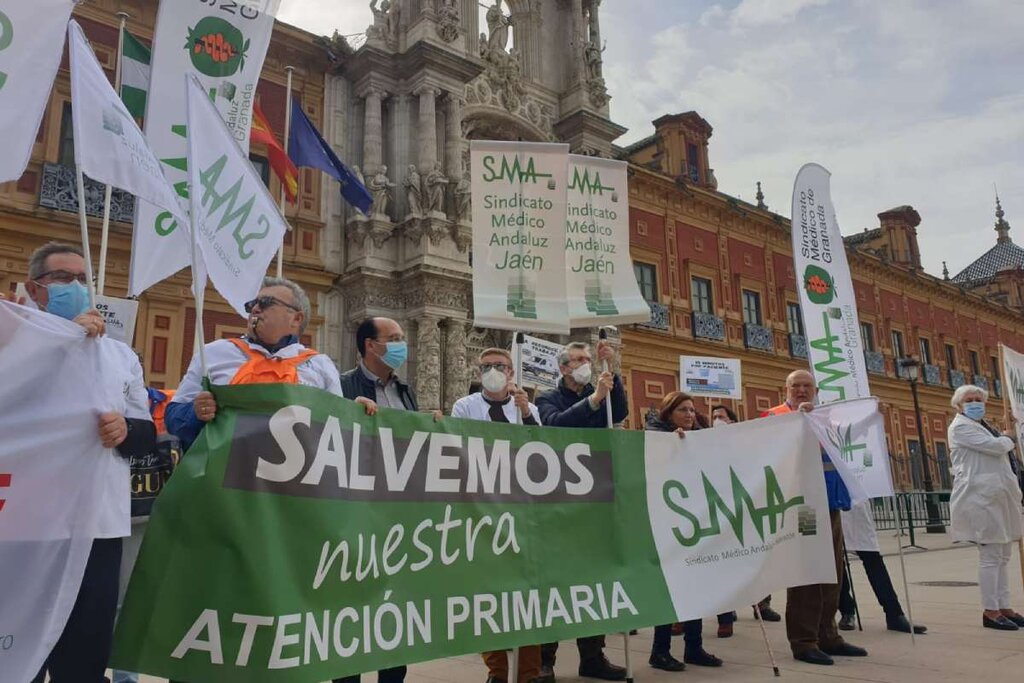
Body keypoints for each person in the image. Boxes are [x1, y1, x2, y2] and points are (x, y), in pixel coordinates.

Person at [20, 242, 156, 683]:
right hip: (26, 527)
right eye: (62, 278)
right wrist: (59, 343)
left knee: (84, 654)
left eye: (82, 278)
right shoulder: (13, 343)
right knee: (21, 652)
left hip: (99, 525)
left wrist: (125, 431)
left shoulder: (121, 357)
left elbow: (145, 435)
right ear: (35, 289)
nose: (76, 287)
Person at [166, 277, 376, 451]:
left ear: (296, 318)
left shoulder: (320, 365)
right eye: (252, 304)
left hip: (290, 492)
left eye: (265, 303)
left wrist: (353, 414)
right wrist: (195, 413)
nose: (255, 309)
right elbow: (172, 419)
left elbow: (335, 434)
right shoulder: (212, 353)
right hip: (224, 490)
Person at [450, 349, 549, 683]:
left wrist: (526, 413)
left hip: (523, 512)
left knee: (527, 595)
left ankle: (528, 672)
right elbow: (460, 446)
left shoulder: (527, 408)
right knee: (489, 594)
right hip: (483, 512)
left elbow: (543, 453)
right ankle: (497, 670)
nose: (494, 371)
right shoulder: (466, 407)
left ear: (511, 372)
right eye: (487, 366)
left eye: (500, 366)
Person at [535, 340, 627, 681]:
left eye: (588, 358)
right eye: (578, 360)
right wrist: (594, 400)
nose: (585, 364)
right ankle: (545, 659)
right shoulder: (547, 397)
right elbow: (555, 425)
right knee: (555, 582)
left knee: (594, 580)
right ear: (563, 368)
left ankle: (593, 655)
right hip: (559, 501)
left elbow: (619, 413)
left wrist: (611, 371)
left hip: (596, 499)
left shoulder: (602, 387)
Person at [762, 370, 867, 666]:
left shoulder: (825, 418)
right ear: (785, 388)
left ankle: (828, 634)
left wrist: (872, 417)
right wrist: (799, 420)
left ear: (816, 389)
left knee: (832, 571)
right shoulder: (775, 415)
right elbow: (773, 452)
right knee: (807, 571)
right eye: (795, 385)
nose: (801, 390)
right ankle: (804, 640)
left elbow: (845, 445)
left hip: (829, 503)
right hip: (801, 507)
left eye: (807, 386)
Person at [334, 316, 415, 683]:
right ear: (370, 344)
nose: (401, 344)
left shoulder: (405, 391)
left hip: (399, 516)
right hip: (354, 512)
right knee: (349, 608)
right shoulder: (340, 386)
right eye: (394, 338)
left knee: (396, 608)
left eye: (402, 338)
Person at [645, 391, 724, 672]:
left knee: (696, 587)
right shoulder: (657, 437)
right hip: (668, 525)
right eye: (683, 410)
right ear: (669, 414)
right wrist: (670, 446)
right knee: (670, 590)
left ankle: (694, 647)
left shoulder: (701, 438)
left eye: (692, 410)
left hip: (697, 524)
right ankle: (660, 650)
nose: (690, 415)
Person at [947, 384, 1024, 630]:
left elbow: (1001, 443)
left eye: (979, 399)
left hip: (998, 497)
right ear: (959, 405)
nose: (975, 403)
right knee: (991, 556)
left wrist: (1006, 429)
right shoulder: (960, 427)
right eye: (969, 400)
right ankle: (990, 611)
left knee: (1003, 555)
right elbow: (997, 447)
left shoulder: (983, 427)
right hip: (980, 498)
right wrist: (1009, 436)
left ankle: (1004, 606)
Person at [708, 404, 781, 633]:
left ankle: (761, 602)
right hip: (720, 511)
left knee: (755, 559)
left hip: (747, 509)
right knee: (725, 563)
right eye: (713, 417)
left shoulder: (744, 442)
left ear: (731, 421)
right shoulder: (706, 444)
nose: (716, 420)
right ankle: (727, 610)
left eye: (721, 417)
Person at [837, 500, 927, 634]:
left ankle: (894, 613)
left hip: (855, 508)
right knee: (837, 563)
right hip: (829, 509)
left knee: (874, 561)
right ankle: (846, 611)